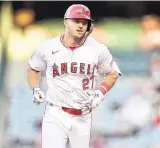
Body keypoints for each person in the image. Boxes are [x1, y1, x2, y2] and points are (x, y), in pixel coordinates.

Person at [27, 4, 121, 148]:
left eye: (84, 22)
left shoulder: (97, 50)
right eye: (76, 21)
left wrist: (100, 92)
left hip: (83, 114)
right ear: (65, 22)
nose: (80, 25)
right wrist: (35, 89)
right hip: (56, 112)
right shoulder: (48, 47)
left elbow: (113, 73)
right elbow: (33, 68)